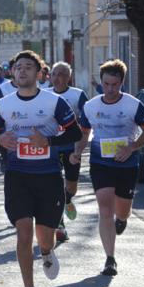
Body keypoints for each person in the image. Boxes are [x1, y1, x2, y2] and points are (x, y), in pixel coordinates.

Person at [0, 50, 82, 287]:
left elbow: (73, 131)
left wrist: (48, 140)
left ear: (40, 73)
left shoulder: (54, 102)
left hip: (49, 176)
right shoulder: (5, 104)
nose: (23, 71)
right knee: (23, 231)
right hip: (18, 176)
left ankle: (48, 252)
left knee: (45, 238)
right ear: (13, 73)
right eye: (18, 67)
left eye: (29, 67)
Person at [70, 59, 144, 277]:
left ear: (122, 83)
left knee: (122, 210)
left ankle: (123, 219)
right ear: (101, 82)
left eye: (114, 85)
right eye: (106, 84)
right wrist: (78, 150)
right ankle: (110, 259)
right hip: (101, 163)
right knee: (105, 208)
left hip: (126, 163)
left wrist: (132, 147)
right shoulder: (91, 106)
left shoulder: (133, 105)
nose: (110, 89)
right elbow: (84, 133)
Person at [48, 62, 89, 244]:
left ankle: (67, 200)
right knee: (54, 187)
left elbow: (86, 126)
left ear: (68, 77)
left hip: (71, 148)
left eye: (62, 74)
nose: (57, 78)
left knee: (71, 187)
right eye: (54, 74)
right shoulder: (44, 94)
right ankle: (60, 225)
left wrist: (78, 149)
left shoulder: (78, 95)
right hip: (51, 148)